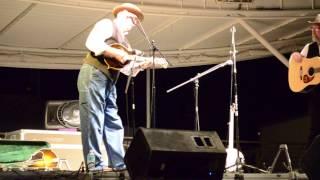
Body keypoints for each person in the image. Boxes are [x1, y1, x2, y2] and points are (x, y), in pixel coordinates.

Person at [77, 3, 148, 171]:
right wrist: (117, 53)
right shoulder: (107, 24)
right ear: (123, 14)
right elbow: (92, 43)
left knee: (113, 121)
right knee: (93, 120)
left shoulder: (125, 42)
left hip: (109, 81)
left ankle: (119, 164)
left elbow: (127, 70)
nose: (133, 25)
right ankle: (94, 165)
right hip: (94, 74)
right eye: (132, 20)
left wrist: (141, 65)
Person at [290, 14, 320, 179]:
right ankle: (308, 166)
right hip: (316, 95)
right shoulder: (310, 47)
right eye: (315, 27)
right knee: (315, 129)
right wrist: (296, 58)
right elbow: (296, 65)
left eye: (319, 27)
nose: (316, 30)